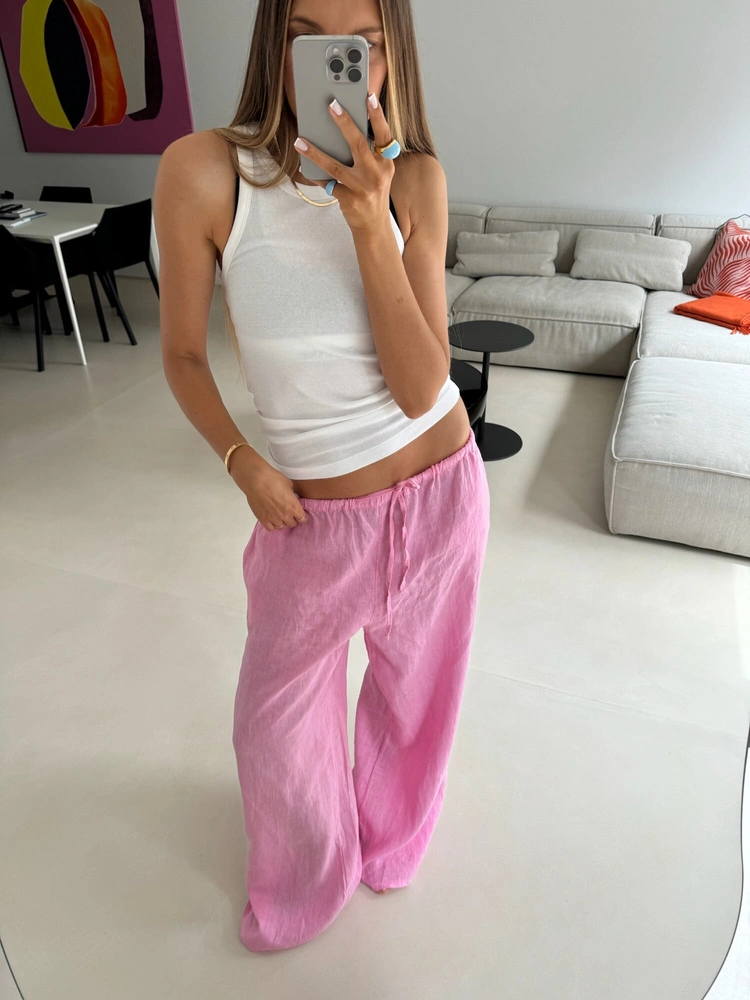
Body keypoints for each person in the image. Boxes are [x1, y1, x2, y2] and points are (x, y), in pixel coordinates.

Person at [155, 0, 490, 953]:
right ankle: (308, 879)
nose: (335, 62)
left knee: (417, 698)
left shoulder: (415, 180)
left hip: (442, 493)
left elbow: (421, 384)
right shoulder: (204, 172)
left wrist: (370, 222)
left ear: (389, 54)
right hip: (312, 523)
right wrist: (240, 460)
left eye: (362, 44)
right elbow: (183, 353)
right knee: (274, 721)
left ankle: (389, 844)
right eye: (307, 35)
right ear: (276, 41)